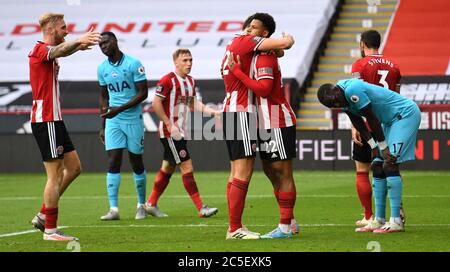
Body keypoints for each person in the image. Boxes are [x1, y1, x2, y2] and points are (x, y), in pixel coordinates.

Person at [220, 12, 295, 239]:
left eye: (254, 27)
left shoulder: (252, 51)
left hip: (253, 114)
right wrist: (287, 40)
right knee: (246, 171)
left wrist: (238, 71)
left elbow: (278, 53)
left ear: (263, 35)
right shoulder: (248, 45)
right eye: (249, 27)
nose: (249, 30)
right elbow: (284, 45)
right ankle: (235, 228)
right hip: (244, 112)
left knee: (243, 172)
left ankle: (285, 223)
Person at [29, 12, 100, 241]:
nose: (66, 30)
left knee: (75, 167)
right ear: (50, 30)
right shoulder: (39, 49)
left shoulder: (50, 54)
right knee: (55, 174)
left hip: (55, 120)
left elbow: (61, 51)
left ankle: (42, 214)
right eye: (63, 27)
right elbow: (58, 50)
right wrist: (79, 41)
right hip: (45, 119)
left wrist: (77, 46)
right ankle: (50, 229)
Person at [317, 79, 421, 233]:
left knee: (389, 163)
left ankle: (396, 221)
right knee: (377, 166)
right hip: (389, 122)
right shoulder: (340, 97)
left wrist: (383, 147)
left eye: (337, 102)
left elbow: (372, 119)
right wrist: (373, 145)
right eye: (334, 106)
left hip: (404, 115)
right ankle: (378, 219)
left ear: (336, 90)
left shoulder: (353, 90)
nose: (338, 105)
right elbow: (358, 122)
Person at [143, 49, 219, 218]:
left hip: (181, 132)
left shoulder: (190, 81)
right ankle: (201, 207)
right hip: (171, 133)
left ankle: (151, 204)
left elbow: (193, 103)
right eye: (184, 60)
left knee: (168, 167)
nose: (189, 63)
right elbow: (156, 103)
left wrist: (213, 112)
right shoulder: (168, 80)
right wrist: (170, 124)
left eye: (190, 60)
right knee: (186, 166)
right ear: (176, 63)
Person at [351, 30, 404, 227]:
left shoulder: (359, 64)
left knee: (363, 169)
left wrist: (354, 124)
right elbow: (397, 97)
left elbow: (355, 95)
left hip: (367, 122)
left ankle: (369, 216)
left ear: (362, 44)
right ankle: (396, 209)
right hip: (389, 123)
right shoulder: (394, 66)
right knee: (390, 165)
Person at [97, 32, 149, 221]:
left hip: (133, 118)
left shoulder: (133, 63)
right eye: (100, 45)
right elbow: (104, 96)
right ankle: (113, 209)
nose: (103, 46)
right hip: (113, 121)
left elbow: (143, 93)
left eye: (106, 42)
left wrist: (120, 109)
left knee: (136, 162)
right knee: (113, 160)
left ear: (115, 41)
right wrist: (103, 124)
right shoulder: (102, 68)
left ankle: (141, 205)